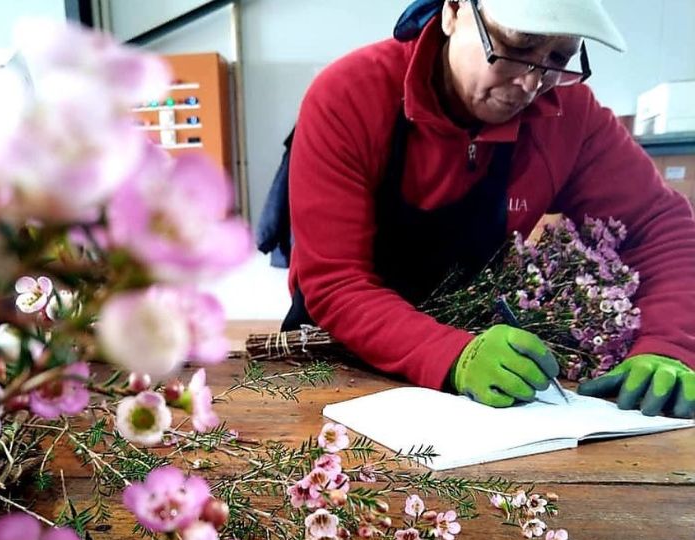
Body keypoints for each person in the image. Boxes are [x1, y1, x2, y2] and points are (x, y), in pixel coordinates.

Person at [282, 0, 695, 418]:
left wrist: (669, 344)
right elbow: (335, 280)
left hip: (477, 362)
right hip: (338, 353)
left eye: (557, 58)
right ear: (453, 11)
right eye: (517, 47)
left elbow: (662, 228)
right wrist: (449, 353)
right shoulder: (351, 94)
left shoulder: (570, 117)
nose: (532, 83)